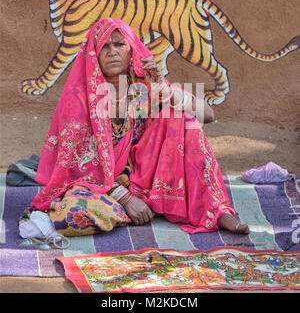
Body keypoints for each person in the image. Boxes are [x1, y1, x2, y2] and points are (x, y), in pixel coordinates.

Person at [23, 18, 249, 237]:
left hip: (146, 178)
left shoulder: (144, 86)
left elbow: (207, 114)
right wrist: (125, 198)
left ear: (131, 51)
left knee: (182, 119)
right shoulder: (80, 99)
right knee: (72, 214)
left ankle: (217, 211)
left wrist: (167, 92)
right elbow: (79, 168)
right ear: (94, 55)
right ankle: (133, 209)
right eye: (104, 46)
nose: (112, 51)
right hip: (103, 186)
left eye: (119, 44)